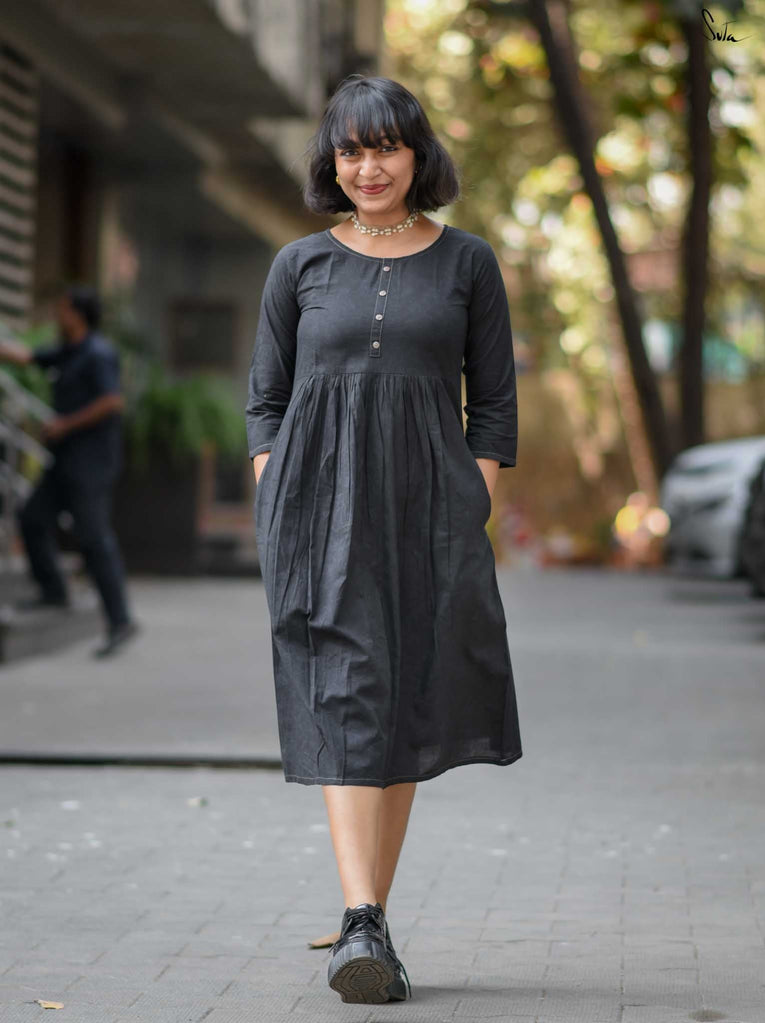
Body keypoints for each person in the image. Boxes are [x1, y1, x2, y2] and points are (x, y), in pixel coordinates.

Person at [245, 75, 522, 1005]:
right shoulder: (298, 265)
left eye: (385, 148)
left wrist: (467, 504)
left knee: (402, 701)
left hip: (427, 513)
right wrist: (276, 491)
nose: (368, 167)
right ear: (332, 162)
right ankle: (361, 914)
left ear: (417, 155)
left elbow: (494, 405)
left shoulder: (467, 263)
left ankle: (369, 926)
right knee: (346, 690)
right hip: (316, 512)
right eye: (351, 150)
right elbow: (265, 400)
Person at [0, 285, 140, 658]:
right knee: (32, 517)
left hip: (91, 463)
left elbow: (112, 401)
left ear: (77, 314)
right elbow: (26, 356)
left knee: (93, 536)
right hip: (64, 461)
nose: (56, 315)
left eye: (62, 309)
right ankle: (53, 590)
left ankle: (120, 619)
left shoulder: (98, 353)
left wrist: (66, 424)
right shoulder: (68, 351)